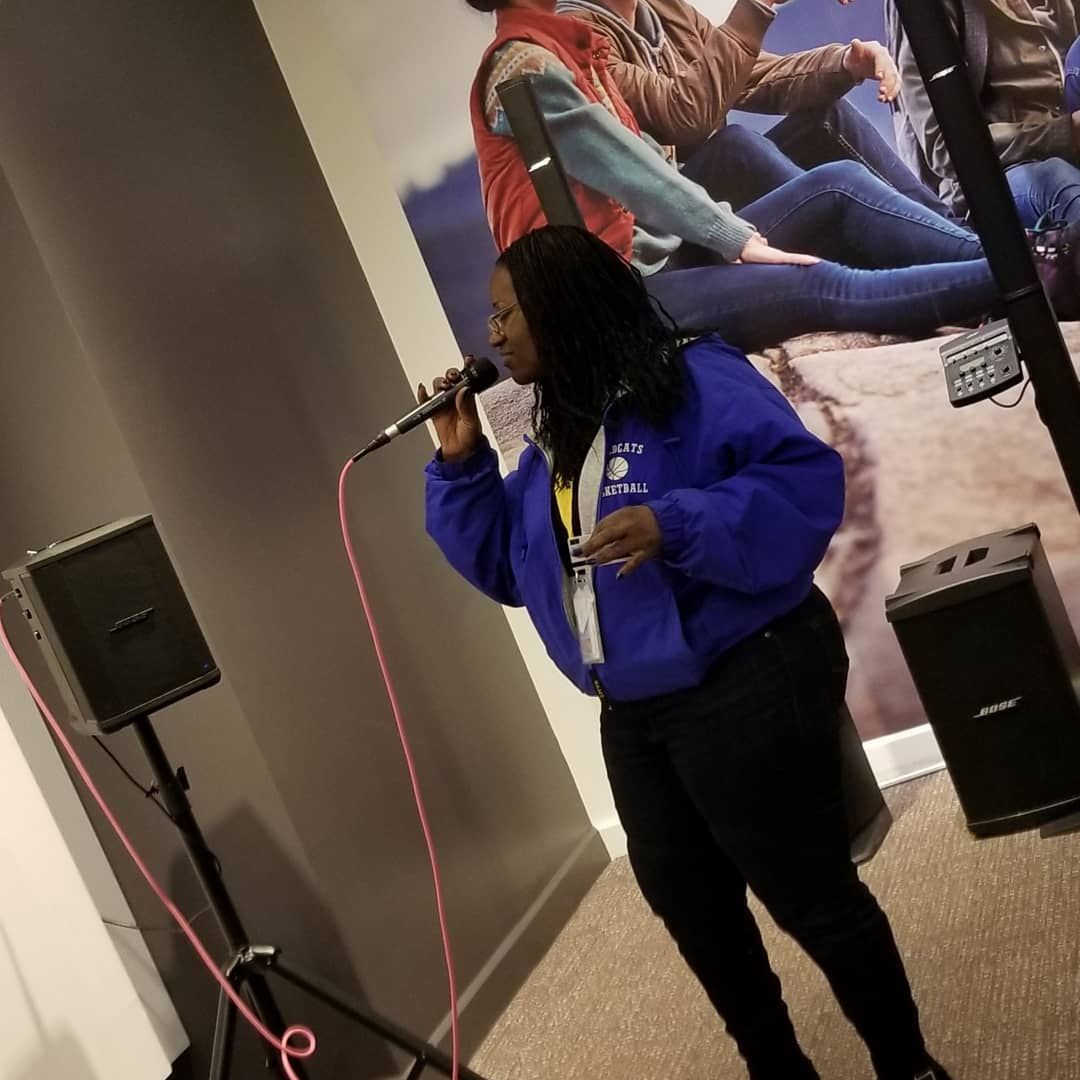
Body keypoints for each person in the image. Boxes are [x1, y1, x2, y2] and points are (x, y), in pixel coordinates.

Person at [421, 225, 954, 1080]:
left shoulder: (695, 379)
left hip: (745, 674)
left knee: (809, 895)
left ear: (560, 308)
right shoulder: (552, 436)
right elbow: (512, 572)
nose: (492, 334)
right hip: (633, 712)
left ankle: (908, 1065)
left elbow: (804, 487)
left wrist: (677, 524)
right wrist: (461, 467)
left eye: (505, 312)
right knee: (694, 913)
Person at [465, 0, 1006, 352]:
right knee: (820, 279)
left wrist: (843, 62)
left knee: (836, 182)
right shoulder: (526, 68)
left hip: (658, 256)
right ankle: (1023, 274)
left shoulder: (559, 48)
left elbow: (738, 78)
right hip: (621, 295)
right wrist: (735, 237)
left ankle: (1003, 254)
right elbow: (636, 167)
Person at [556, 0, 957, 218]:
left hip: (712, 188)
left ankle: (949, 229)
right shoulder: (574, 34)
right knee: (734, 147)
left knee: (828, 115)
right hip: (671, 213)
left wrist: (845, 64)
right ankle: (863, 227)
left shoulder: (665, 10)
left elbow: (748, 77)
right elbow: (685, 117)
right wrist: (755, 5)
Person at [887, 0, 1080, 256]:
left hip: (1069, 149)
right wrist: (1066, 132)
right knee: (1058, 182)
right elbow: (946, 147)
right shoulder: (927, 10)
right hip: (997, 181)